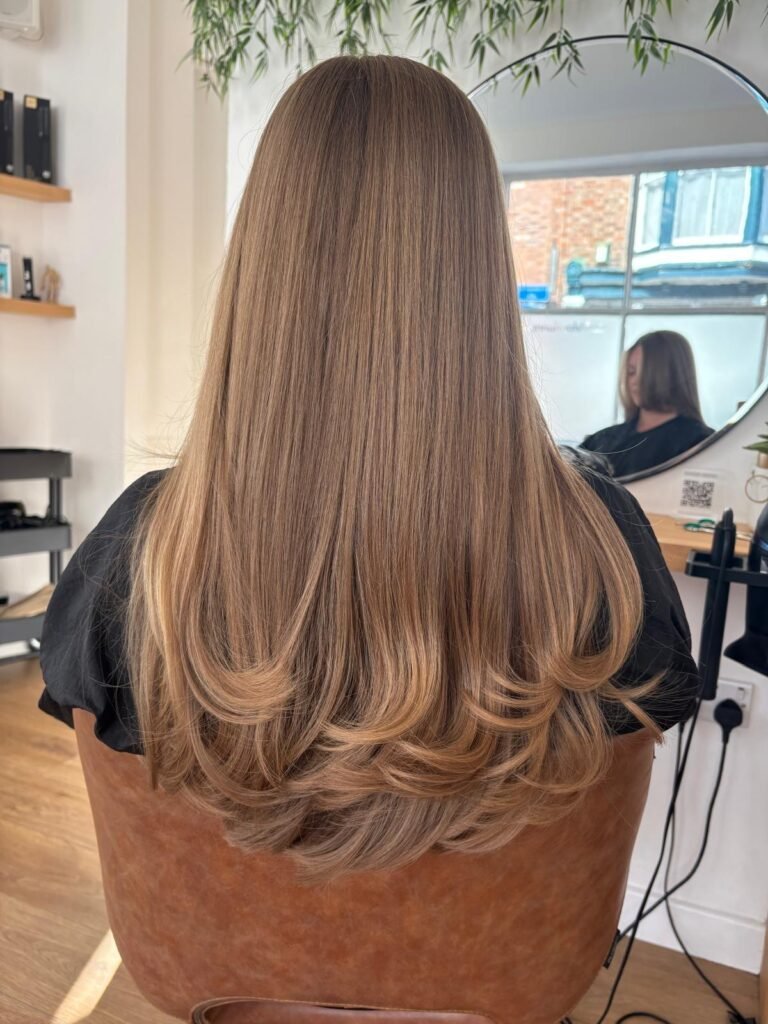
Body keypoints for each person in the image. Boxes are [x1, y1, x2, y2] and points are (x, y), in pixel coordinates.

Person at [38, 56, 699, 882]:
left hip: (213, 951)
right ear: (478, 267)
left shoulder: (147, 545)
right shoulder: (598, 544)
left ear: (262, 260)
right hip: (498, 958)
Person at [582, 330, 714, 478]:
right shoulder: (601, 441)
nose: (634, 381)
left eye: (645, 372)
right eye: (631, 372)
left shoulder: (700, 444)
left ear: (673, 373)